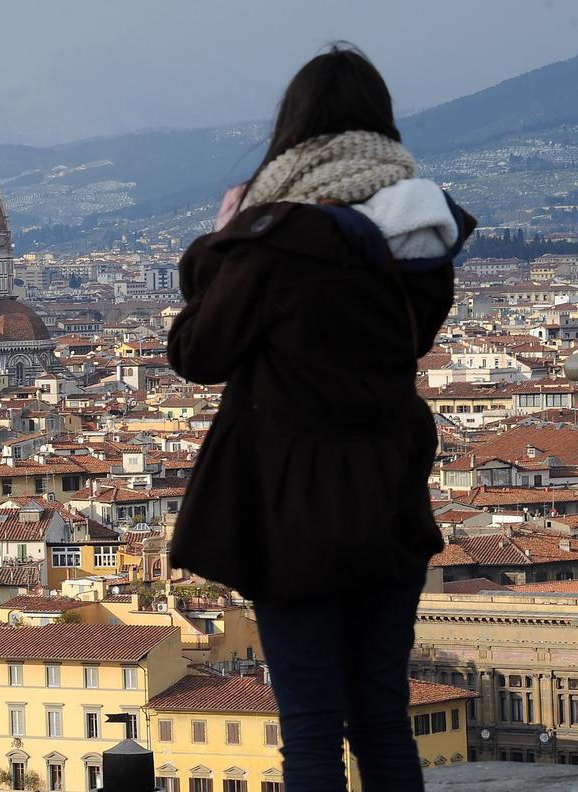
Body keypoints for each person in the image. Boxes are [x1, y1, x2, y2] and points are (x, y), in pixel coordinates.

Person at [166, 44, 476, 792]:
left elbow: (197, 351)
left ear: (295, 129)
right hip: (391, 502)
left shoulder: (277, 243)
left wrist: (226, 241)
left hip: (293, 509)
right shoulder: (424, 239)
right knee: (380, 717)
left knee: (310, 729)